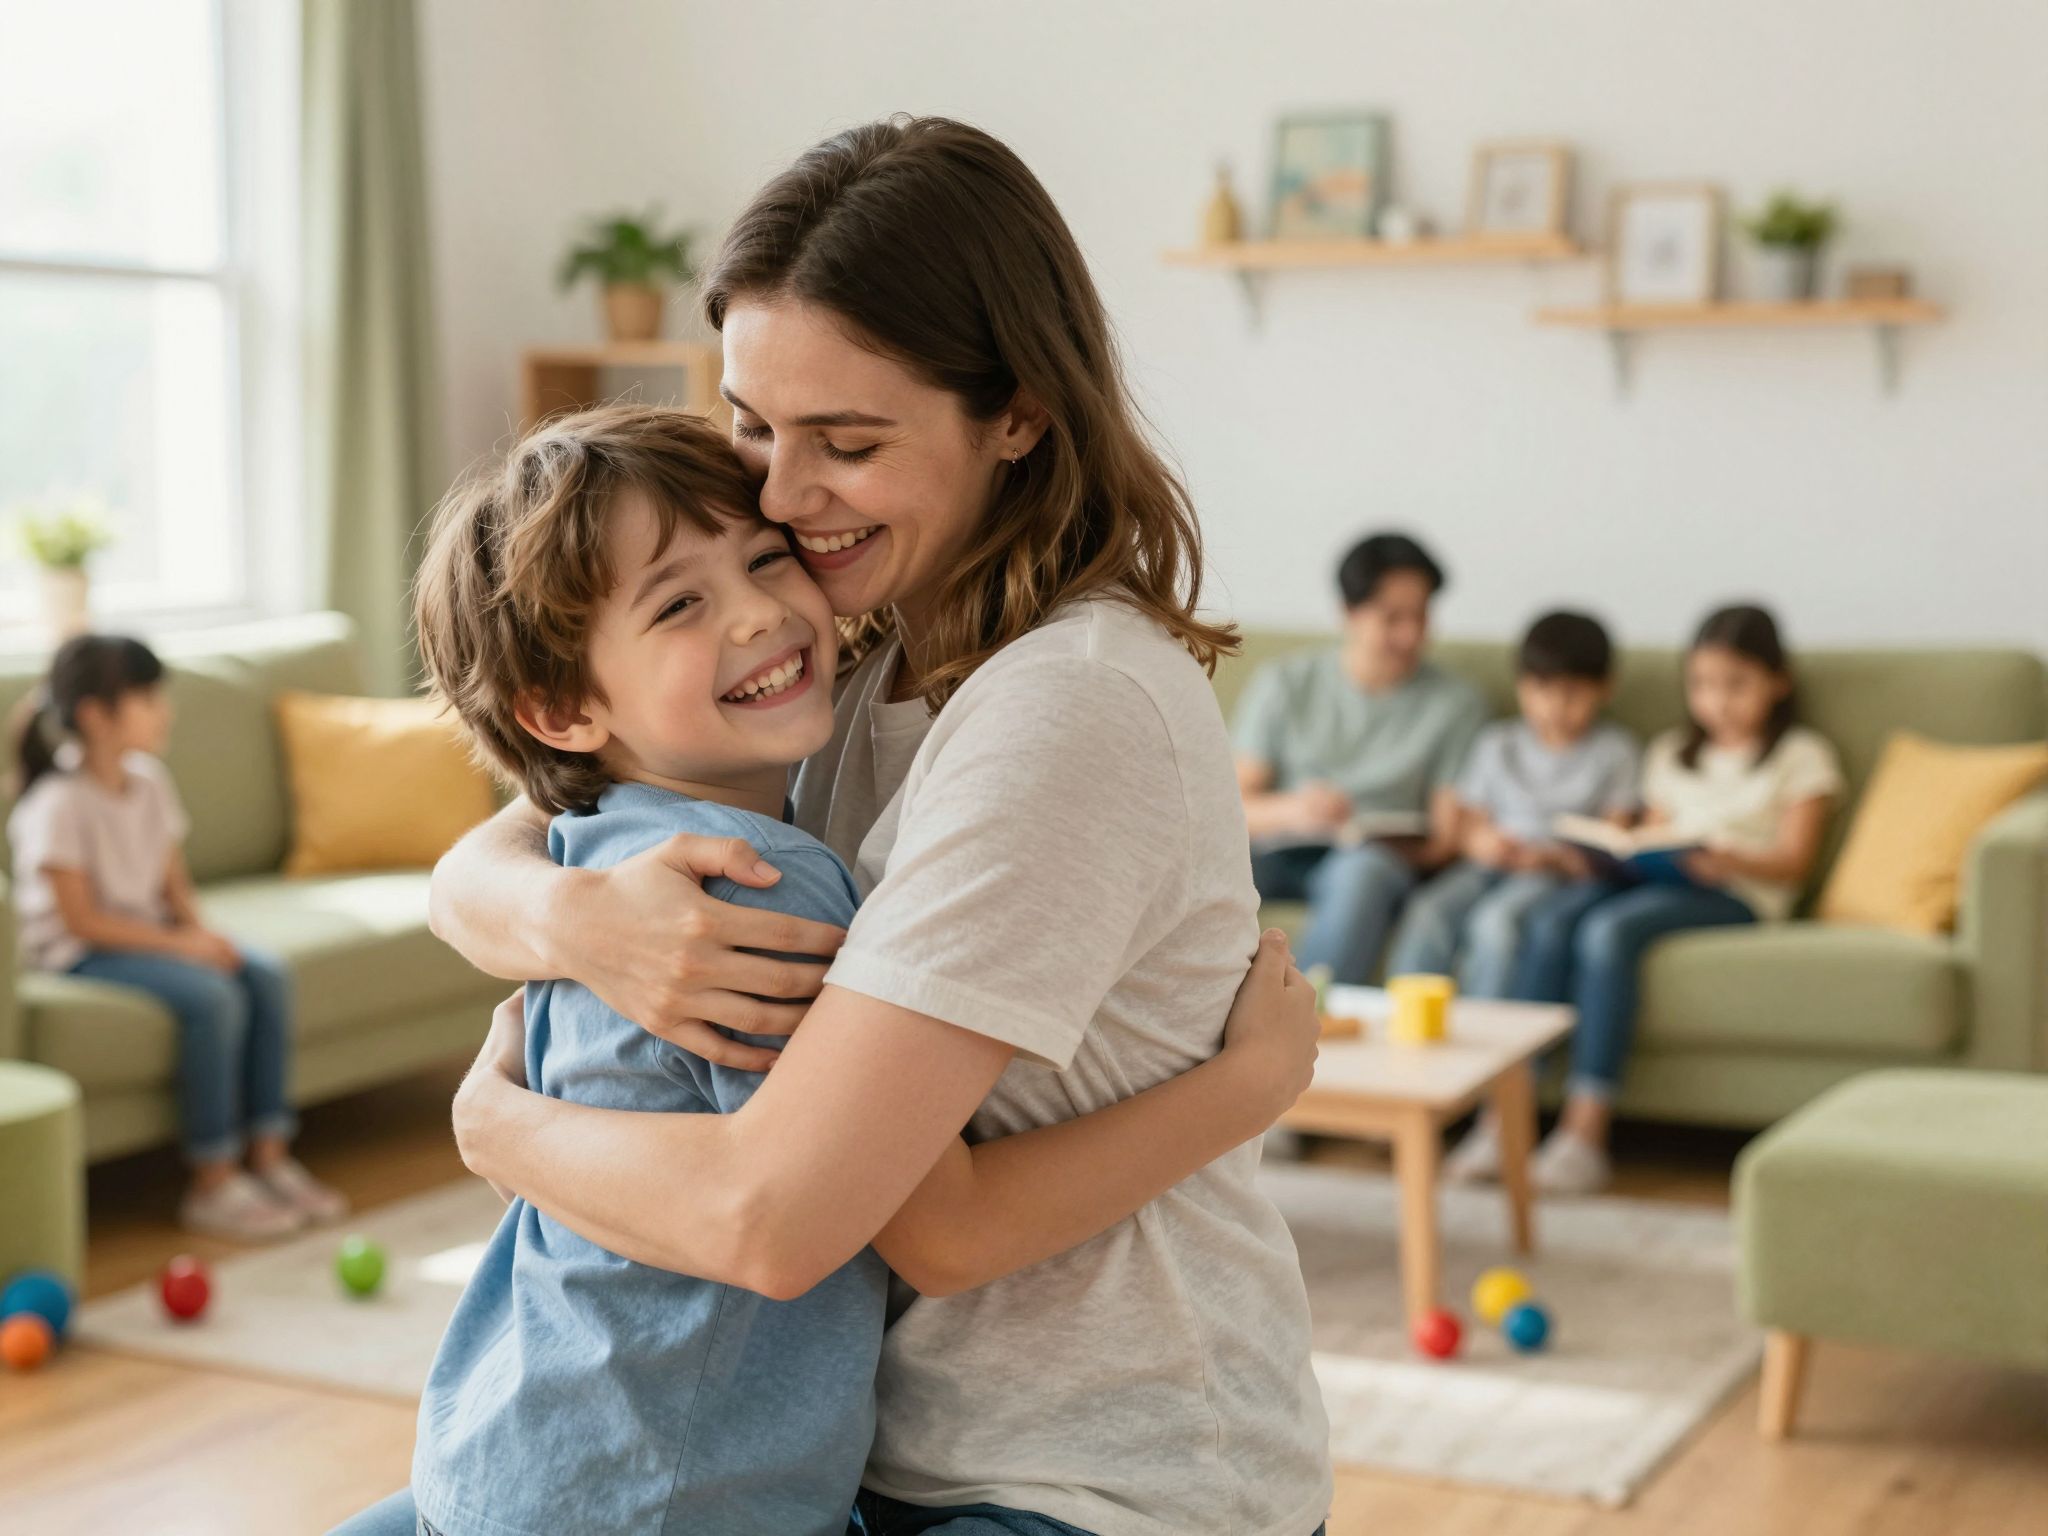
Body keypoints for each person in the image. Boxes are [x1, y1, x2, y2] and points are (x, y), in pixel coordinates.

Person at [339, 116, 1333, 1536]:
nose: (782, 496)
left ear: (1016, 415)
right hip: (844, 1457)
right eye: (754, 424)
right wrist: (573, 915)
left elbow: (810, 1218)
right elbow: (524, 829)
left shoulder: (1067, 707)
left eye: (847, 443)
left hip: (1087, 1478)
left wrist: (495, 1126)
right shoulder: (852, 661)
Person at [7, 635, 345, 1240]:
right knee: (213, 998)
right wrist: (185, 948)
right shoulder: (56, 804)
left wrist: (205, 935)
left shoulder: (149, 781)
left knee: (263, 973)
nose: (165, 711)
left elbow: (174, 887)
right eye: (147, 698)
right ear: (95, 714)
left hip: (145, 935)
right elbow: (82, 923)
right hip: (78, 954)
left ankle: (269, 1157)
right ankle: (212, 1180)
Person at [1509, 604, 1843, 1193]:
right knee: (1552, 917)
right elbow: (1651, 834)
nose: (1718, 702)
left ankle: (1585, 1132)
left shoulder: (1801, 755)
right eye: (1702, 685)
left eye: (1736, 685)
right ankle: (1508, 1114)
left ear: (1778, 681)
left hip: (1738, 893)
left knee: (1609, 932)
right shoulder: (1670, 753)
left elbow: (1794, 862)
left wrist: (1731, 860)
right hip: (1663, 879)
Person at [1381, 611, 1639, 1184]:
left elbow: (1615, 840)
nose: (1556, 707)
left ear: (1604, 689)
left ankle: (1481, 1086)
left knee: (1498, 927)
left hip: (1554, 872)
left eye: (1573, 694)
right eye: (1542, 691)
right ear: (1523, 686)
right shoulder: (1498, 742)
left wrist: (1553, 857)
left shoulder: (1614, 752)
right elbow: (1469, 822)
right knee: (1429, 913)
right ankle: (1399, 1066)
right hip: (1489, 862)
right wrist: (1485, 843)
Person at [1233, 532, 1488, 984]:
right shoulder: (1286, 683)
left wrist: (1402, 845)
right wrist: (1296, 809)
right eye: (1393, 618)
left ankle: (1306, 1018)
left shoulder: (1456, 704)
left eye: (1421, 616)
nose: (1411, 635)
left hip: (1374, 861)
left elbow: (1445, 837)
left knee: (1361, 872)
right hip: (1281, 849)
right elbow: (1233, 808)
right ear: (1349, 613)